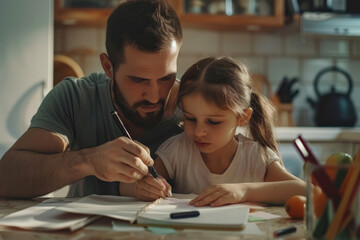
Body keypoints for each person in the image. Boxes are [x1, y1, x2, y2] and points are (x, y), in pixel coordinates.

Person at [0, 0, 182, 198]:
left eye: (166, 78)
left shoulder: (196, 107)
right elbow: (5, 179)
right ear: (108, 66)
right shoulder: (76, 99)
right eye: (138, 80)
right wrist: (89, 161)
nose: (155, 96)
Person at [121, 57, 306, 206]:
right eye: (190, 119)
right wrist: (140, 188)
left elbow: (307, 190)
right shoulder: (178, 149)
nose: (199, 131)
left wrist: (244, 191)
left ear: (242, 117)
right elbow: (125, 185)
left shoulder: (256, 157)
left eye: (213, 122)